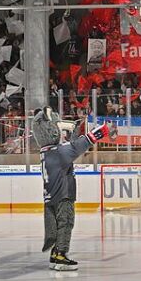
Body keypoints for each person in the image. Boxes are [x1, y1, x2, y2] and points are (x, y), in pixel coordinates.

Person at [32, 107, 107, 271]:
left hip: (51, 196)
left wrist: (74, 132)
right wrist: (97, 133)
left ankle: (55, 254)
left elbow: (70, 145)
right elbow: (77, 146)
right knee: (66, 223)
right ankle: (60, 255)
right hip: (63, 195)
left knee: (57, 226)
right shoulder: (59, 152)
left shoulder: (46, 152)